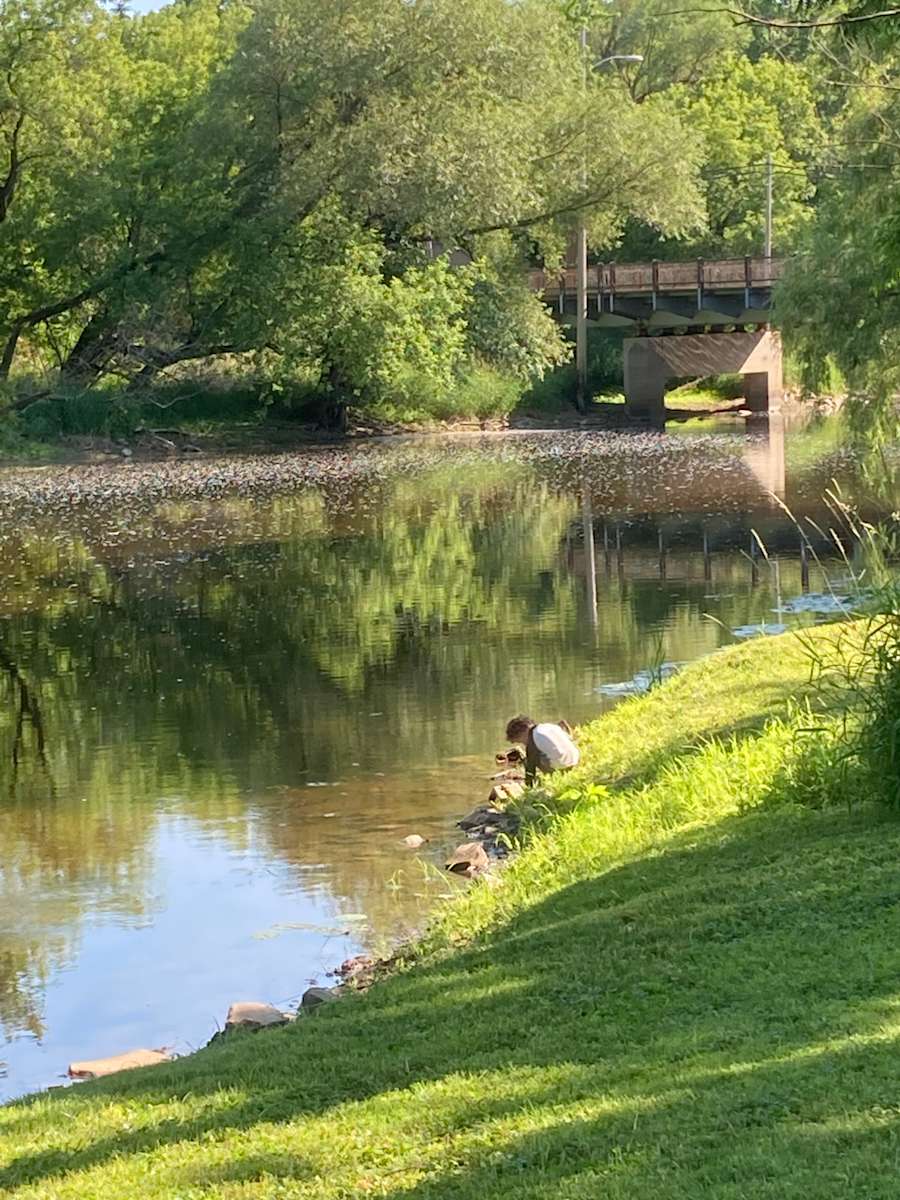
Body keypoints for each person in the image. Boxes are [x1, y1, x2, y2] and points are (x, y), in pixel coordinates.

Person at [505, 714, 579, 786]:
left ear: (522, 732)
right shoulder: (548, 726)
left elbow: (530, 770)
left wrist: (528, 785)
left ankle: (552, 777)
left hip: (562, 766)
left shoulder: (532, 738)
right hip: (575, 760)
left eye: (520, 741)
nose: (524, 744)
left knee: (531, 758)